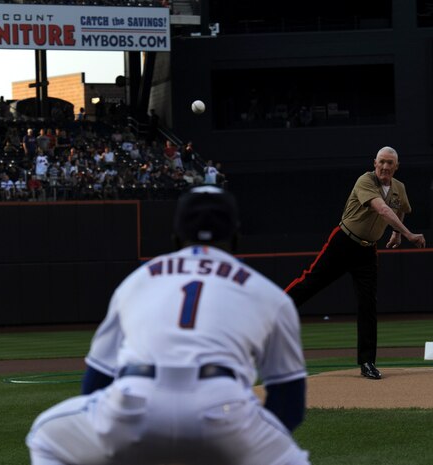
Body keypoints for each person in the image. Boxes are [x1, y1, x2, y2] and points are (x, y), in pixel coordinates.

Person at [26, 185, 310, 465]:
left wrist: (119, 441)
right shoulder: (267, 292)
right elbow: (289, 403)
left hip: (136, 401)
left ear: (175, 239)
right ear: (236, 237)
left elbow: (96, 383)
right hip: (222, 407)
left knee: (45, 438)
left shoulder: (137, 281)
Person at [285, 146, 426, 380]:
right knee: (309, 283)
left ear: (396, 167)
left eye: (390, 163)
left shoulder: (399, 188)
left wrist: (397, 234)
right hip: (343, 243)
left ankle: (367, 362)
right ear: (375, 163)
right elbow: (382, 208)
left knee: (367, 305)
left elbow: (402, 208)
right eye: (381, 161)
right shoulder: (366, 180)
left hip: (367, 251)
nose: (385, 166)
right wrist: (409, 234)